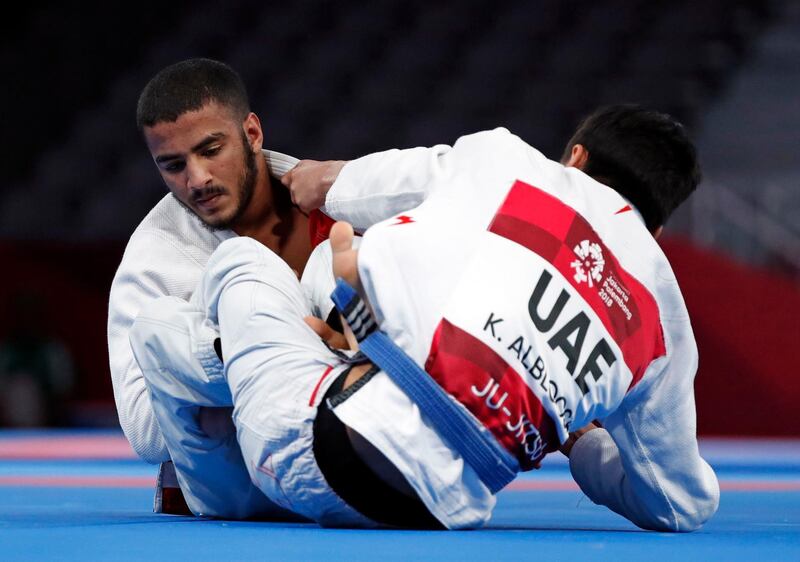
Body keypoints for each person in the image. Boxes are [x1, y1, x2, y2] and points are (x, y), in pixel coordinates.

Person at [131, 105, 720, 530]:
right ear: (658, 228)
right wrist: (582, 443)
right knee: (333, 276)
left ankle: (232, 412)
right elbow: (679, 504)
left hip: (318, 452)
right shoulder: (666, 322)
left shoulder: (509, 162)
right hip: (448, 508)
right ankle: (326, 349)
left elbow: (338, 186)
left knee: (215, 283)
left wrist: (310, 180)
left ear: (576, 157)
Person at [107, 57, 343, 514]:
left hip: (357, 452)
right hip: (233, 498)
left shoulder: (342, 199)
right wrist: (248, 348)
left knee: (340, 266)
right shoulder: (155, 255)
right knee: (182, 315)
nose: (196, 179)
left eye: (211, 150)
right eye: (172, 165)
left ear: (251, 134)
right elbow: (144, 430)